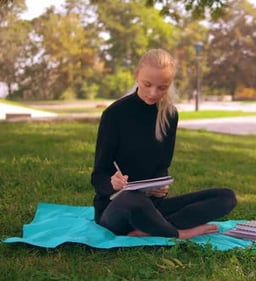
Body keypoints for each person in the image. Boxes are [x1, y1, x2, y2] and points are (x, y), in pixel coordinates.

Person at [91, 48, 237, 239]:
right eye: (147, 84)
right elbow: (98, 176)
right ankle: (177, 233)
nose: (153, 93)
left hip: (152, 205)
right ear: (137, 76)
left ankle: (150, 228)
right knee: (132, 199)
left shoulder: (169, 115)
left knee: (226, 197)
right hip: (116, 207)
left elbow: (162, 168)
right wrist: (112, 183)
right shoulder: (114, 115)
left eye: (162, 88)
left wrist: (160, 189)